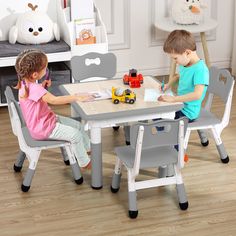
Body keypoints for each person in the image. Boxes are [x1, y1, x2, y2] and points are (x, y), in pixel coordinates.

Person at [14, 49, 94, 169]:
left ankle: (86, 149)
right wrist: (76, 97)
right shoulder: (35, 89)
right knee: (76, 135)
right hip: (44, 128)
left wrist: (43, 86)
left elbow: (36, 96)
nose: (46, 70)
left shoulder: (25, 85)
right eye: (45, 68)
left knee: (78, 126)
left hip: (45, 121)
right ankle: (84, 162)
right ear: (35, 74)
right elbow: (54, 100)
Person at [159, 29, 209, 123]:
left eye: (175, 58)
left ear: (187, 53)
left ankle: (168, 137)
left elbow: (197, 95)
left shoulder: (200, 70)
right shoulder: (185, 64)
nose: (174, 61)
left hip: (187, 113)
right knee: (156, 112)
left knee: (159, 118)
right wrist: (168, 85)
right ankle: (164, 135)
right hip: (179, 105)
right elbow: (179, 76)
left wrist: (174, 99)